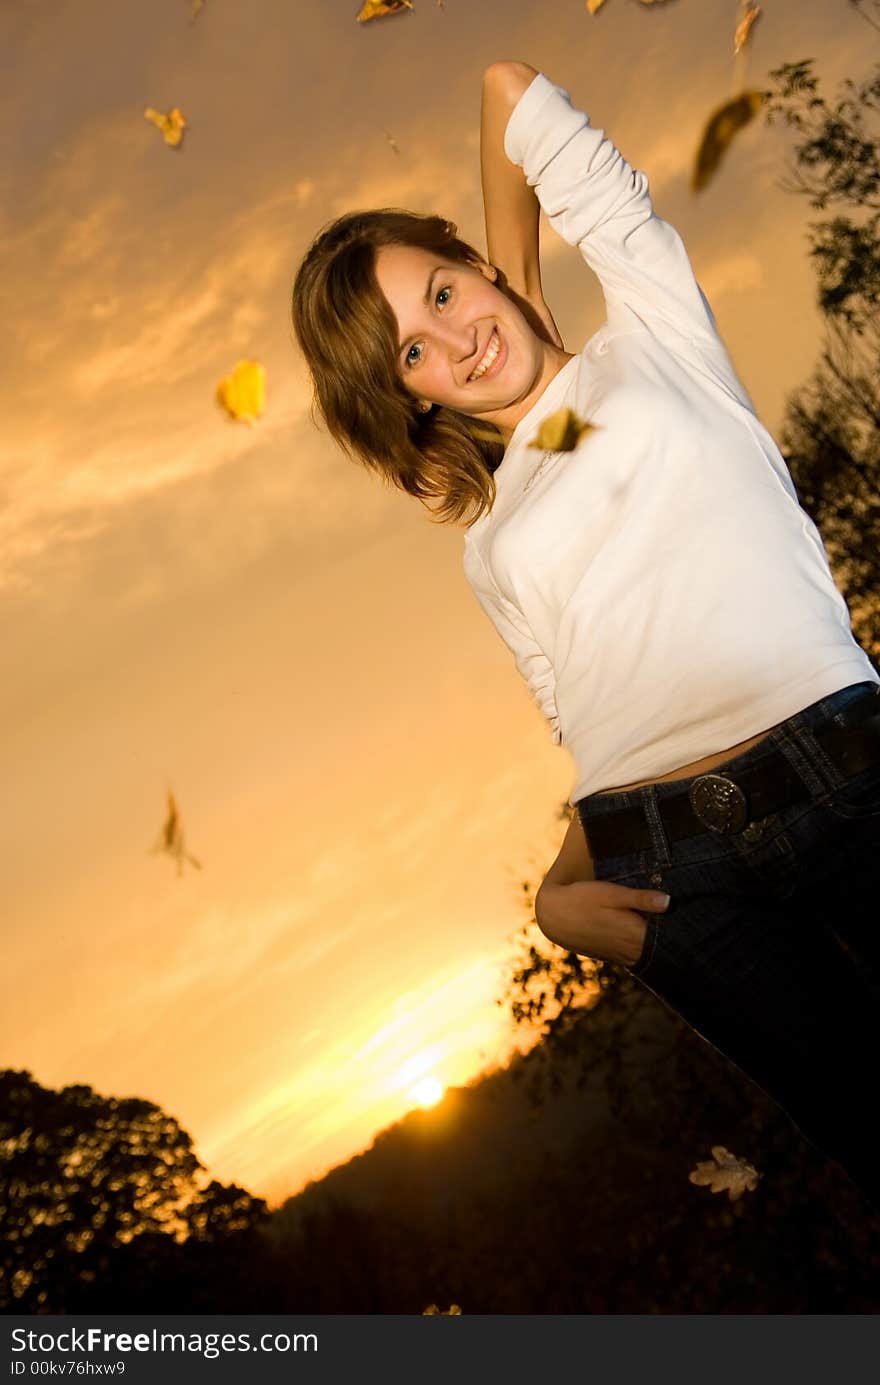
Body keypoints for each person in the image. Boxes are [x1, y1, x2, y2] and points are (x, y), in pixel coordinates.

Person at [292, 61, 880, 1204]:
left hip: (848, 770)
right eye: (413, 351)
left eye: (444, 294)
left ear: (481, 262)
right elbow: (598, 723)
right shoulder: (490, 546)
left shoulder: (650, 329)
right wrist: (558, 899)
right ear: (411, 399)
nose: (452, 343)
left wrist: (515, 293)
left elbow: (507, 90)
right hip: (683, 877)